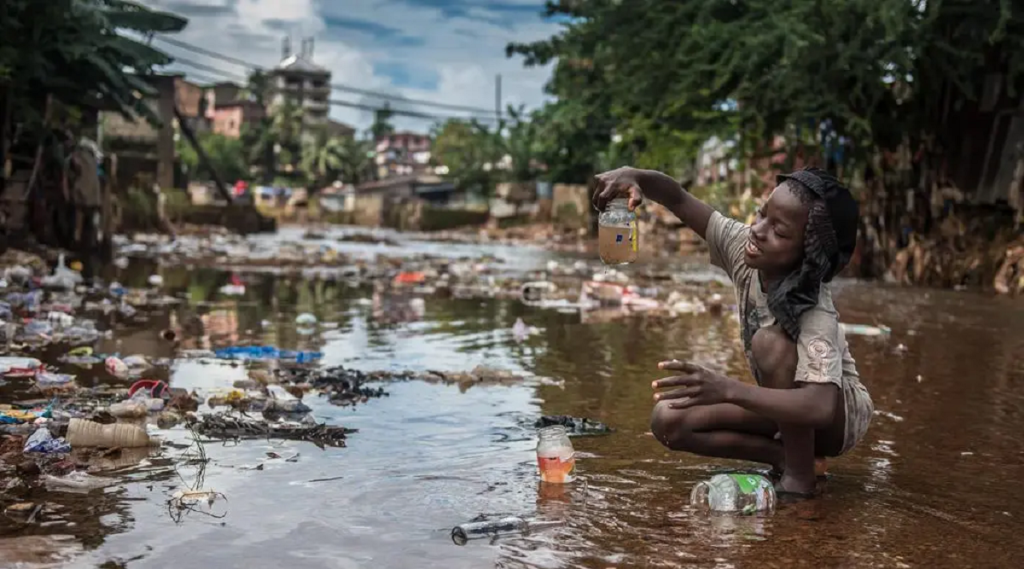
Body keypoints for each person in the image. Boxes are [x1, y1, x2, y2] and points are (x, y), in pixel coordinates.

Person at [594, 166, 873, 498]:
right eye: (762, 214)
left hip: (837, 420)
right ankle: (787, 459)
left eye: (780, 232)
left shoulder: (815, 309)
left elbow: (820, 405)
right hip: (790, 407)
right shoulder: (744, 248)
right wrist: (636, 176)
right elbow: (679, 199)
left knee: (769, 343)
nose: (757, 230)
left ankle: (800, 480)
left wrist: (727, 389)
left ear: (808, 259)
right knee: (668, 419)